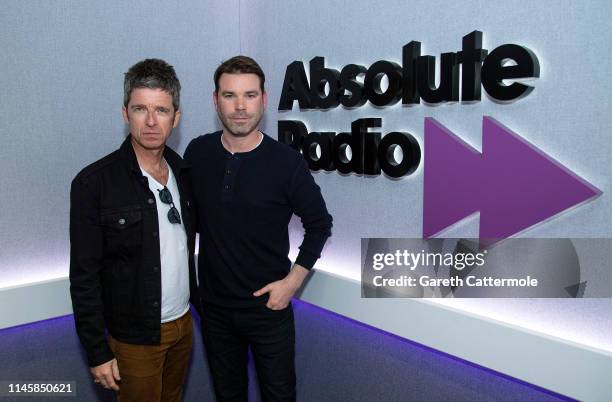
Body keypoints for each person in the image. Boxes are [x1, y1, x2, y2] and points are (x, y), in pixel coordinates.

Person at [184, 55, 333, 402]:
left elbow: (320, 223)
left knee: (279, 396)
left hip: (269, 310)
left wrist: (292, 284)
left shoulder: (286, 162)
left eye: (250, 95)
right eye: (229, 95)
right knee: (228, 395)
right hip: (215, 311)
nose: (239, 106)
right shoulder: (198, 152)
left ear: (264, 101)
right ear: (215, 100)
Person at [69, 58, 200, 402]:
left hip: (184, 326)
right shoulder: (94, 183)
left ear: (176, 117)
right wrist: (97, 350)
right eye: (141, 109)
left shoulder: (184, 174)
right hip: (134, 339)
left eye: (162, 109)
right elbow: (85, 276)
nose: (152, 121)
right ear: (125, 113)